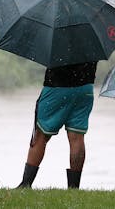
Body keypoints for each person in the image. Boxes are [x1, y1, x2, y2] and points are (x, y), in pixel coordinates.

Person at [17, 61, 97, 189]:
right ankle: (74, 187)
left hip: (57, 86)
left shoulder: (56, 40)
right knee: (77, 137)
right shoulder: (92, 41)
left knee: (40, 135)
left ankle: (26, 184)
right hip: (85, 89)